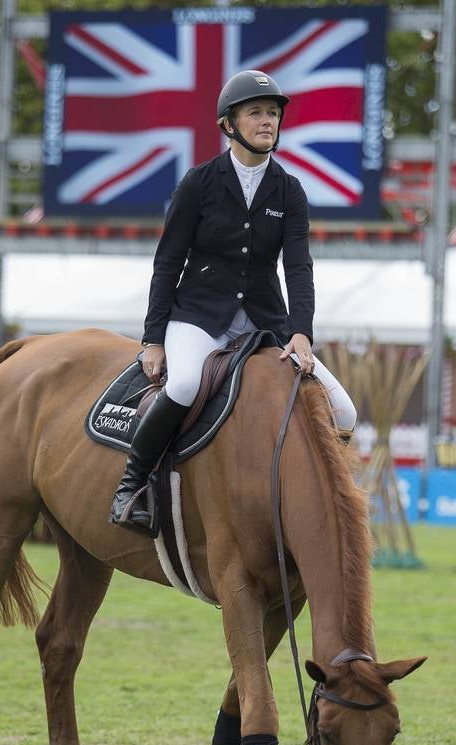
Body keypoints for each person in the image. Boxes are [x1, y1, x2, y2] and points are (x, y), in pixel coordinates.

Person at [110, 69, 356, 534]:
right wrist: (153, 339)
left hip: (265, 322)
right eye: (256, 113)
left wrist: (301, 332)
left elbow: (298, 268)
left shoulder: (290, 190)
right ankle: (131, 487)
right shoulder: (198, 183)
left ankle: (318, 507)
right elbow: (168, 263)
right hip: (199, 316)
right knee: (183, 386)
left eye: (273, 113)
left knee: (344, 410)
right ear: (229, 124)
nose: (268, 121)